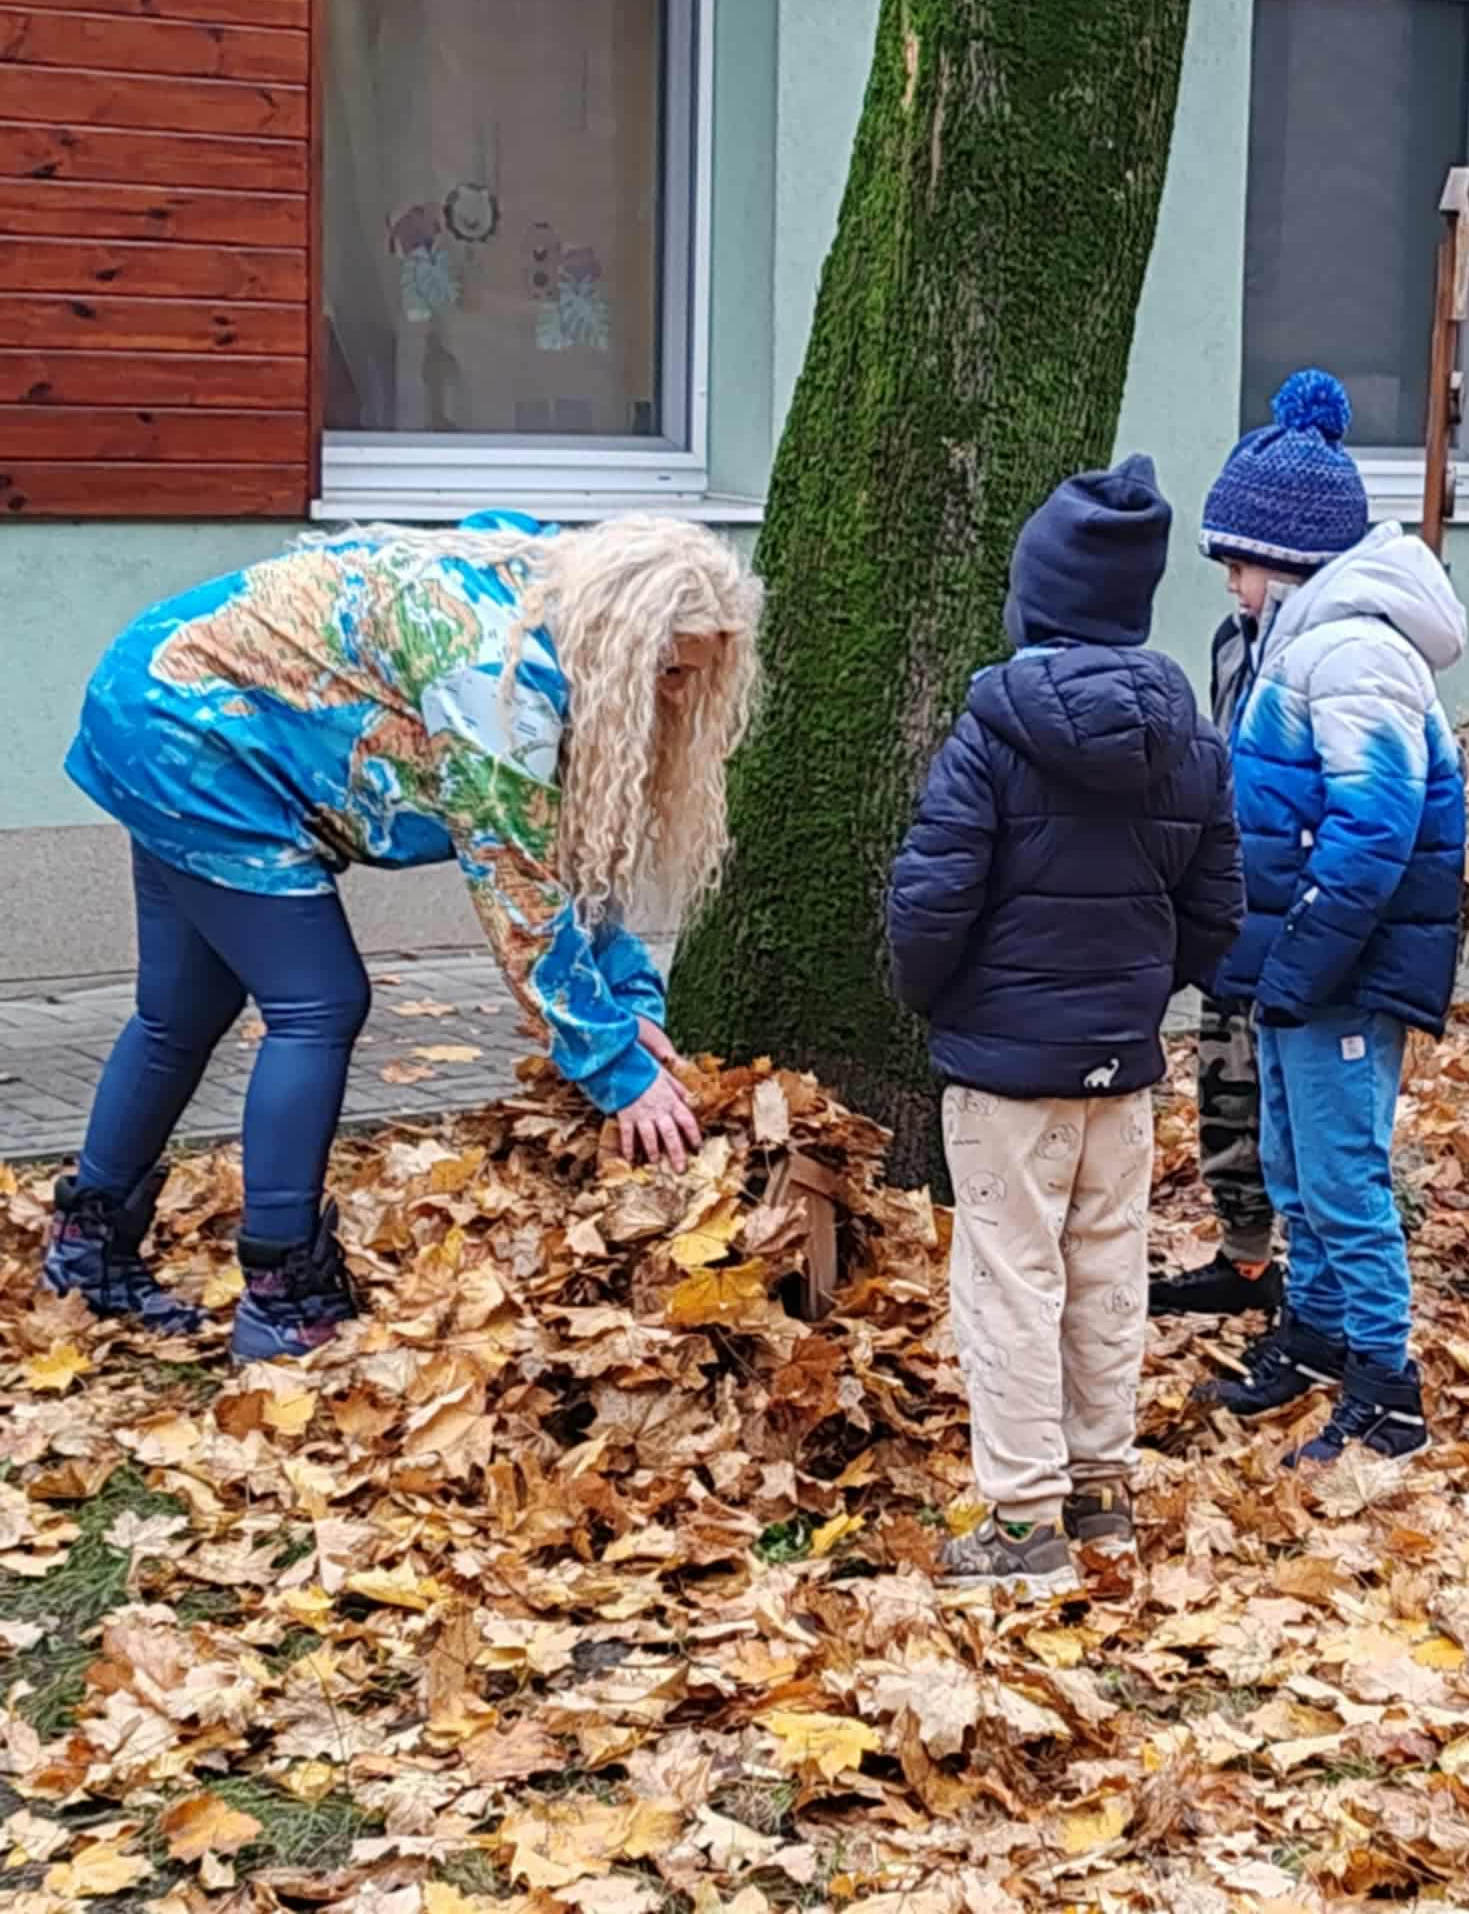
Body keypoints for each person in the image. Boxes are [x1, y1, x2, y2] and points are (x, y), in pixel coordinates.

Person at [44, 512, 762, 1360]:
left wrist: (625, 997)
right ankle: (282, 1298)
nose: (677, 697)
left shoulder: (546, 591)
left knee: (183, 1009)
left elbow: (555, 851)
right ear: (618, 638)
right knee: (318, 1003)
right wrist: (614, 1065)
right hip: (192, 735)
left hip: (154, 695)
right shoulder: (492, 682)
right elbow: (520, 896)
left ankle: (86, 1249)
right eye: (669, 673)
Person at [887, 455, 1242, 1595]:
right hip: (1119, 1068)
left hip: (1004, 1068)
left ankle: (1024, 1519)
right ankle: (1101, 1493)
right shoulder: (1190, 742)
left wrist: (938, 998)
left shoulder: (990, 733)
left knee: (1009, 1279)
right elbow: (1216, 910)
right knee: (1103, 1273)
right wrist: (1139, 992)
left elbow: (930, 899)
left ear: (1033, 600)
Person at [1196, 371, 1467, 1465]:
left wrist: (1300, 964)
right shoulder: (1302, 640)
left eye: (1240, 559)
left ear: (1292, 557)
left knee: (1344, 1173)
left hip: (1339, 971)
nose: (1229, 580)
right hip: (1297, 966)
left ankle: (1386, 1383)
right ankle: (1310, 1337)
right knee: (1290, 1159)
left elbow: (1372, 827)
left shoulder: (1355, 650)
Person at [1148, 586, 1288, 1320]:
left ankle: (1322, 1299)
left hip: (1294, 914)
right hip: (1233, 901)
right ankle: (1245, 1261)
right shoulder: (1231, 641)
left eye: (1240, 564)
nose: (1230, 582)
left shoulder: (1320, 652)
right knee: (1224, 1084)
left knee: (1291, 1111)